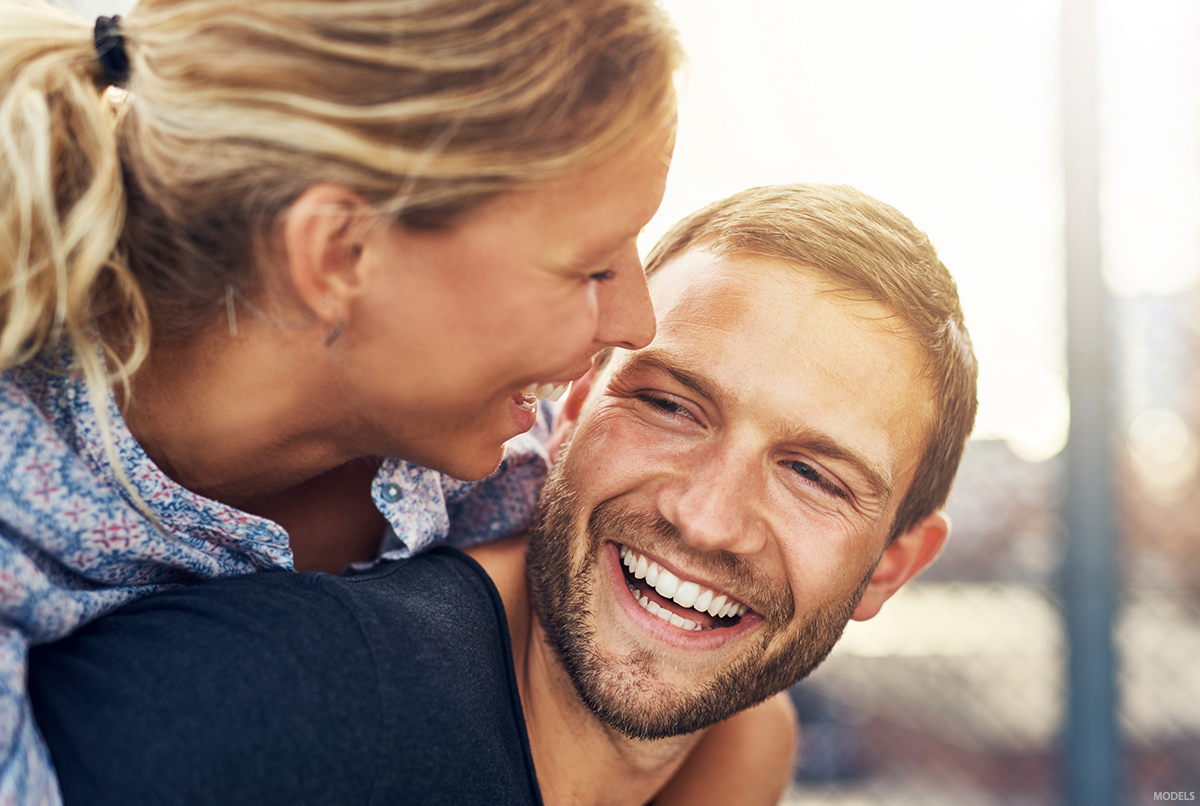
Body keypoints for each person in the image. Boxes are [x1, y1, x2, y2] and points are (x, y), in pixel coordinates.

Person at [0, 0, 756, 801]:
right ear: (337, 252)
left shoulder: (505, 455)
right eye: (591, 267)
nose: (637, 323)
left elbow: (738, 718)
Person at [28, 183, 980, 805]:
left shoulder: (735, 741)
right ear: (567, 409)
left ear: (889, 568)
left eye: (812, 474)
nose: (706, 516)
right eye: (672, 406)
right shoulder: (261, 710)